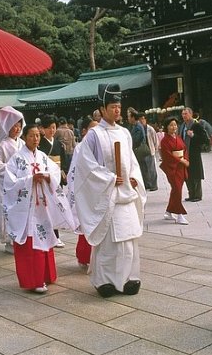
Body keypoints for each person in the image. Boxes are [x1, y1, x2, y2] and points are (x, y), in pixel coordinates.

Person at [74, 83, 147, 298]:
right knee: (109, 244)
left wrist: (133, 177)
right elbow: (86, 167)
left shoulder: (125, 133)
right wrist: (109, 179)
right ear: (102, 109)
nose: (117, 110)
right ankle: (104, 281)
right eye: (113, 106)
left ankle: (128, 278)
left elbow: (131, 161)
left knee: (129, 241)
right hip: (108, 196)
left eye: (119, 106)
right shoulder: (94, 135)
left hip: (125, 194)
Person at [3, 124, 75, 292]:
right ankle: (34, 280)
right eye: (31, 136)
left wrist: (48, 176)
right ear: (24, 137)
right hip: (26, 208)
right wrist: (30, 179)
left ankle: (47, 275)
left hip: (42, 205)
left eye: (37, 136)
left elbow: (56, 172)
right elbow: (10, 183)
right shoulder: (17, 159)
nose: (35, 139)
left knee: (44, 235)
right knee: (30, 240)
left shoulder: (42, 157)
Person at [0, 106, 25, 253]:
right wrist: (12, 169)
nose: (17, 129)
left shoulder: (23, 143)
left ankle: (19, 238)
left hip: (22, 183)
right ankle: (8, 241)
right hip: (8, 184)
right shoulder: (4, 145)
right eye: (14, 126)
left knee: (20, 210)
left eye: (19, 126)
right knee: (8, 210)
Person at [66, 116, 99, 267]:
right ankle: (84, 257)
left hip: (99, 189)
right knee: (86, 225)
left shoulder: (100, 144)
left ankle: (98, 257)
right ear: (84, 131)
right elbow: (74, 172)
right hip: (86, 189)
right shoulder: (81, 147)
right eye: (93, 129)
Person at [39, 114, 69, 247]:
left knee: (57, 207)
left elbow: (63, 161)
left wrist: (64, 172)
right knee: (47, 208)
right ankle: (48, 235)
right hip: (46, 179)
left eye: (53, 127)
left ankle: (56, 236)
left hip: (56, 179)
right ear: (43, 129)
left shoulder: (58, 144)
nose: (52, 130)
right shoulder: (40, 144)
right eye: (49, 128)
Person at [159, 117, 189, 224]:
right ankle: (180, 214)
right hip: (172, 167)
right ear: (166, 127)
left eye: (175, 125)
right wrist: (181, 161)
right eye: (171, 125)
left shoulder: (179, 137)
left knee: (176, 189)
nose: (174, 127)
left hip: (180, 167)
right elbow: (167, 155)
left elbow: (184, 149)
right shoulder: (164, 141)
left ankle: (168, 212)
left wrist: (185, 159)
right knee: (177, 189)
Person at [180, 107, 209, 202]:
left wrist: (193, 136)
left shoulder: (196, 125)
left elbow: (204, 139)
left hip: (194, 153)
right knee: (187, 175)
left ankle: (197, 195)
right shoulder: (182, 126)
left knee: (196, 175)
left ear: (191, 114)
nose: (184, 116)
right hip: (185, 154)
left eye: (186, 114)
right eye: (183, 114)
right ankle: (191, 194)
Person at [139, 112, 159, 191]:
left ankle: (154, 185)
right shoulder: (138, 128)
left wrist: (155, 149)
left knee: (151, 169)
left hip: (149, 151)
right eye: (140, 119)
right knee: (143, 169)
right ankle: (147, 184)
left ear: (145, 119)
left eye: (143, 119)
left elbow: (155, 139)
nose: (141, 120)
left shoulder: (150, 129)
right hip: (141, 152)